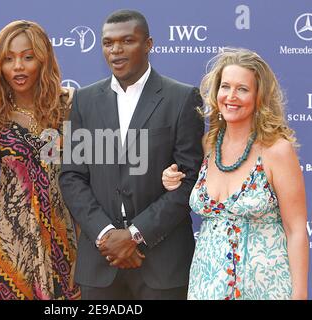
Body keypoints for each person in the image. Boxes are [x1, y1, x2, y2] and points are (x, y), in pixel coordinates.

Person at [59, 9, 204, 299]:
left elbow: (190, 181)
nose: (116, 50)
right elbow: (72, 176)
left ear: (148, 44)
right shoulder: (85, 101)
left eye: (127, 41)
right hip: (101, 262)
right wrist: (106, 235)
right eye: (108, 43)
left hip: (162, 263)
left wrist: (136, 234)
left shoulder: (182, 98)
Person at [162, 48, 309, 300]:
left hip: (266, 288)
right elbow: (184, 179)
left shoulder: (277, 150)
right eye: (225, 86)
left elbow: (296, 229)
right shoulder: (207, 144)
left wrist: (300, 294)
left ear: (259, 97)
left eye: (242, 89)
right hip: (206, 288)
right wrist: (170, 177)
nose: (231, 96)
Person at [0, 20, 79, 300]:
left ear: (43, 60)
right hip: (10, 244)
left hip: (62, 239)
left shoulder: (68, 107)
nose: (18, 67)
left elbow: (85, 181)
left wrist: (85, 247)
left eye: (28, 57)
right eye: (8, 59)